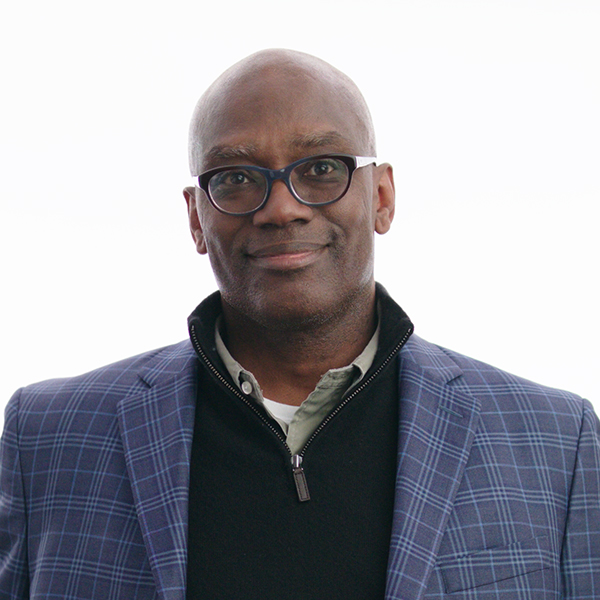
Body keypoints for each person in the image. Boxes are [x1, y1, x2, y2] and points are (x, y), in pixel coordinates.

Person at [1, 49, 598, 600]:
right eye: (235, 177)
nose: (282, 207)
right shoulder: (48, 439)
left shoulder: (553, 441)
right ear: (196, 218)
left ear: (381, 197)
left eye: (321, 168)